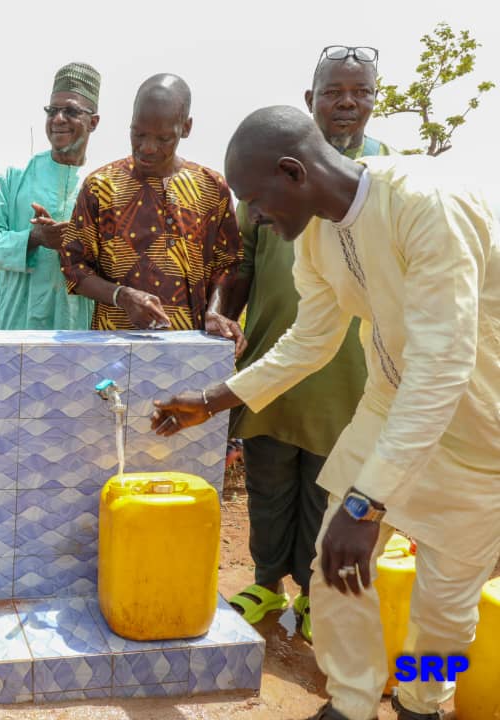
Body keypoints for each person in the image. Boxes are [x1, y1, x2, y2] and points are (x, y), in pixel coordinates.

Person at [151, 105, 500, 720]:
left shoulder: (428, 206)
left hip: (479, 434)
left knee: (444, 610)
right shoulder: (315, 232)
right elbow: (309, 340)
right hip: (390, 406)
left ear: (294, 172)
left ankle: (423, 704)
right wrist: (211, 402)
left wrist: (369, 503)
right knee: (335, 570)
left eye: (256, 201)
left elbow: (443, 370)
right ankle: (352, 703)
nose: (253, 218)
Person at [222, 46, 391, 642]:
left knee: (331, 485)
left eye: (360, 92)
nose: (347, 103)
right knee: (269, 481)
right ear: (309, 99)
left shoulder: (386, 181)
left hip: (350, 371)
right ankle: (267, 580)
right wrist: (224, 320)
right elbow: (239, 265)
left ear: (376, 99)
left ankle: (319, 598)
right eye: (333, 92)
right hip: (275, 355)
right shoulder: (263, 173)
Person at [59, 74, 244, 354]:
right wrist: (122, 296)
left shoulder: (211, 188)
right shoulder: (101, 187)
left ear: (186, 127)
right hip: (115, 352)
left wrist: (215, 312)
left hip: (191, 350)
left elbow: (228, 264)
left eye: (163, 138)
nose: (147, 148)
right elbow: (74, 267)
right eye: (138, 134)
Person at [0, 62, 100, 330]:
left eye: (71, 111)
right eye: (52, 110)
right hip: (16, 327)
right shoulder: (11, 180)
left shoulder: (100, 186)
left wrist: (78, 242)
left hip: (77, 331)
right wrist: (33, 239)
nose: (58, 119)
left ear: (93, 122)